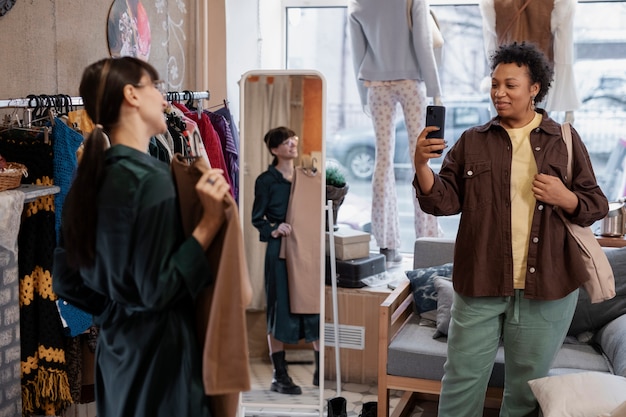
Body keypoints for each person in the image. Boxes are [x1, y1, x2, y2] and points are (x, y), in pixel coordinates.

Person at [412, 42, 608, 416]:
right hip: (481, 281)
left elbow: (594, 204)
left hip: (546, 287)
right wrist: (421, 165)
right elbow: (445, 201)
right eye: (494, 84)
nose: (499, 93)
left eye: (510, 85)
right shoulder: (473, 140)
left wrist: (565, 196)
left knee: (525, 391)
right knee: (460, 381)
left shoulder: (563, 139)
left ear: (534, 88)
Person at [52, 57, 230, 417]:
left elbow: (67, 280)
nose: (165, 100)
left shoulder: (87, 182)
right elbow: (157, 289)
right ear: (131, 94)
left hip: (117, 355)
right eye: (155, 86)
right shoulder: (151, 181)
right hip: (160, 365)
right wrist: (209, 224)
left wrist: (117, 309)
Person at [348, 0, 443, 265]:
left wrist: (361, 97)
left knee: (383, 160)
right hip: (411, 81)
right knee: (420, 160)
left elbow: (357, 52)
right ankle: (428, 238)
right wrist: (436, 89)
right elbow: (423, 41)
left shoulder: (357, 3)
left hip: (375, 85)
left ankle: (386, 243)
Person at [251, 126, 320, 395]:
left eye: (293, 139)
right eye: (285, 141)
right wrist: (274, 229)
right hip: (278, 251)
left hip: (306, 252)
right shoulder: (265, 180)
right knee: (279, 310)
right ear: (274, 149)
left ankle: (320, 373)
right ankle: (280, 376)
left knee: (312, 308)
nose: (292, 143)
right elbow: (257, 218)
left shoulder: (308, 177)